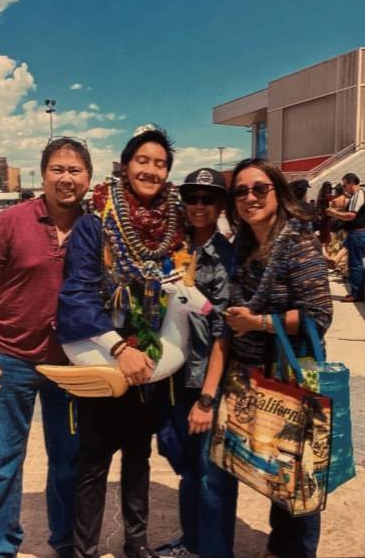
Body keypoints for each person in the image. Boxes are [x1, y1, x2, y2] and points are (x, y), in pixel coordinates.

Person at [56, 125, 186, 558]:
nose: (151, 170)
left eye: (160, 164)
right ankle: (84, 550)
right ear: (126, 165)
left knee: (138, 456)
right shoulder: (96, 224)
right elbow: (76, 293)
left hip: (152, 362)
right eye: (143, 161)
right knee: (93, 463)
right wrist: (118, 347)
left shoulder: (173, 227)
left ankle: (137, 544)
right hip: (103, 355)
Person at [210, 158, 332, 558]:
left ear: (278, 193)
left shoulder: (298, 242)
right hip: (253, 375)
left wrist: (258, 322)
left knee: (297, 471)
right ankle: (279, 546)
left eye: (259, 189)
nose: (250, 198)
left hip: (291, 375)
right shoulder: (246, 243)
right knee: (271, 468)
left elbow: (319, 315)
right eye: (241, 191)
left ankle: (294, 550)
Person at [0, 136, 92, 558]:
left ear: (88, 177)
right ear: (44, 173)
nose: (66, 178)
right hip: (11, 359)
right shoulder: (11, 221)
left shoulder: (95, 227)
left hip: (70, 366)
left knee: (68, 461)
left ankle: (64, 542)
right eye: (58, 169)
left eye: (75, 170)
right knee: (3, 463)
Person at [156, 168, 238, 558]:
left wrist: (208, 398)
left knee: (212, 474)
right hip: (174, 375)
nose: (199, 206)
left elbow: (224, 331)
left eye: (208, 199)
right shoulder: (172, 250)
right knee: (187, 466)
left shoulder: (227, 257)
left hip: (208, 379)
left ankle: (214, 550)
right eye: (192, 198)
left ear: (221, 205)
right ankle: (191, 544)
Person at [327, 172, 365, 302]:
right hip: (358, 234)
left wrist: (334, 213)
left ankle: (356, 293)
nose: (344, 189)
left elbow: (351, 216)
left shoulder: (358, 194)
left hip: (358, 233)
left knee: (355, 264)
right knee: (357, 263)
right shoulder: (359, 194)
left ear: (350, 183)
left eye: (344, 185)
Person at [316, 181, 333, 255]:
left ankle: (326, 253)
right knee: (325, 238)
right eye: (327, 187)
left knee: (327, 238)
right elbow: (318, 208)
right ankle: (326, 254)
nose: (328, 189)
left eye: (329, 187)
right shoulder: (324, 197)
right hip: (325, 219)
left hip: (327, 218)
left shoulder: (323, 197)